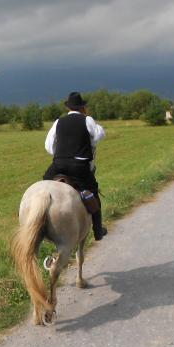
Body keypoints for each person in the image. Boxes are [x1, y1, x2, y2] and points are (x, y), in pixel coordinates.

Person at [42, 92, 108, 240]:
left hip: (58, 163)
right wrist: (88, 142)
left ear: (68, 107)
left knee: (43, 185)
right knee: (93, 191)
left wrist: (62, 152)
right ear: (83, 107)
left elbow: (48, 146)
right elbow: (99, 135)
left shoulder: (58, 122)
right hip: (79, 165)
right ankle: (98, 230)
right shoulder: (87, 119)